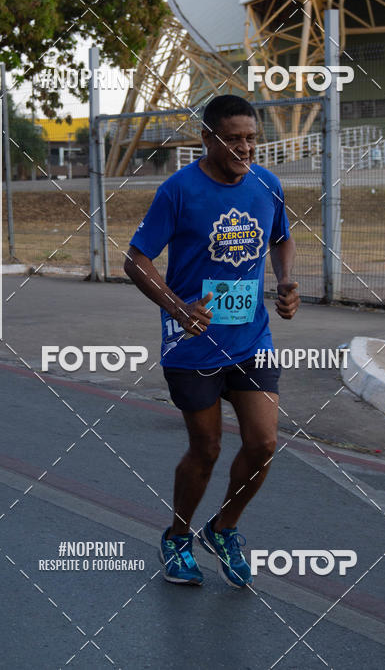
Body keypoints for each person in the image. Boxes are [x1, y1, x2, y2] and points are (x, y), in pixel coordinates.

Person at [124, 95, 299, 588]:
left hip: (251, 336)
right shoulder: (178, 191)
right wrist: (178, 308)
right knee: (207, 448)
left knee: (263, 442)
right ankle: (177, 536)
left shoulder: (267, 184)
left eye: (252, 138)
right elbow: (136, 260)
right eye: (234, 138)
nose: (245, 148)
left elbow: (281, 237)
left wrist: (286, 282)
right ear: (207, 139)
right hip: (192, 343)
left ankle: (224, 529)